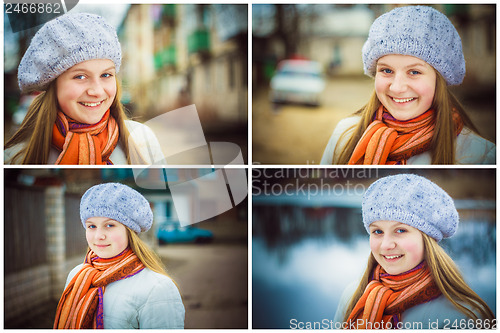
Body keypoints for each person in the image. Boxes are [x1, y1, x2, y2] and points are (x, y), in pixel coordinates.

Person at [320, 6, 495, 165]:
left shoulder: (480, 156)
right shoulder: (344, 136)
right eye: (386, 71)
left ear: (438, 79)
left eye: (414, 72)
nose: (397, 87)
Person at [333, 174, 495, 329]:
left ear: (426, 239)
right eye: (377, 231)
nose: (385, 245)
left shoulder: (461, 316)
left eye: (401, 230)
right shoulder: (354, 296)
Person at [5, 12, 164, 164]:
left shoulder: (142, 141)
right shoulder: (14, 158)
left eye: (106, 75)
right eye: (80, 76)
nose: (96, 91)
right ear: (54, 85)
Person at [53, 183, 185, 329]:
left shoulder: (158, 288)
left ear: (129, 231)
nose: (99, 236)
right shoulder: (77, 275)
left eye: (110, 225)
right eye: (91, 226)